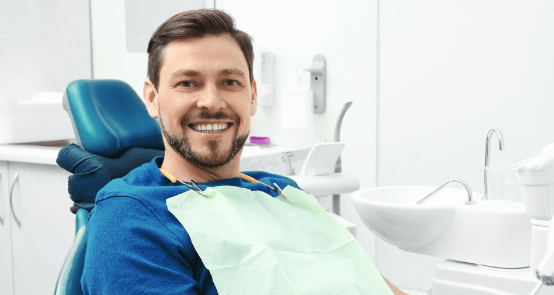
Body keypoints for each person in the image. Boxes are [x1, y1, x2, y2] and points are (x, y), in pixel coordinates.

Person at [81, 9, 406, 295]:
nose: (211, 101)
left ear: (252, 96)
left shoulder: (283, 191)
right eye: (188, 83)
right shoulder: (131, 217)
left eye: (230, 82)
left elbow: (370, 282)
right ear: (152, 98)